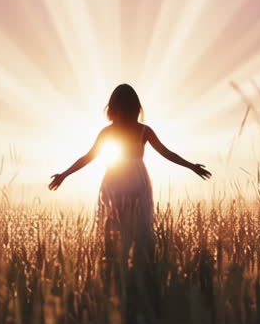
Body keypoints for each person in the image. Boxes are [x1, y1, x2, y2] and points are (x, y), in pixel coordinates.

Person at [48, 84, 211, 254]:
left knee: (113, 226)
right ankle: (139, 260)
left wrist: (64, 175)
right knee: (138, 225)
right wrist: (191, 166)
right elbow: (167, 153)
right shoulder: (143, 130)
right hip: (136, 180)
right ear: (136, 107)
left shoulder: (109, 132)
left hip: (115, 180)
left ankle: (114, 261)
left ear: (112, 107)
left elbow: (88, 157)